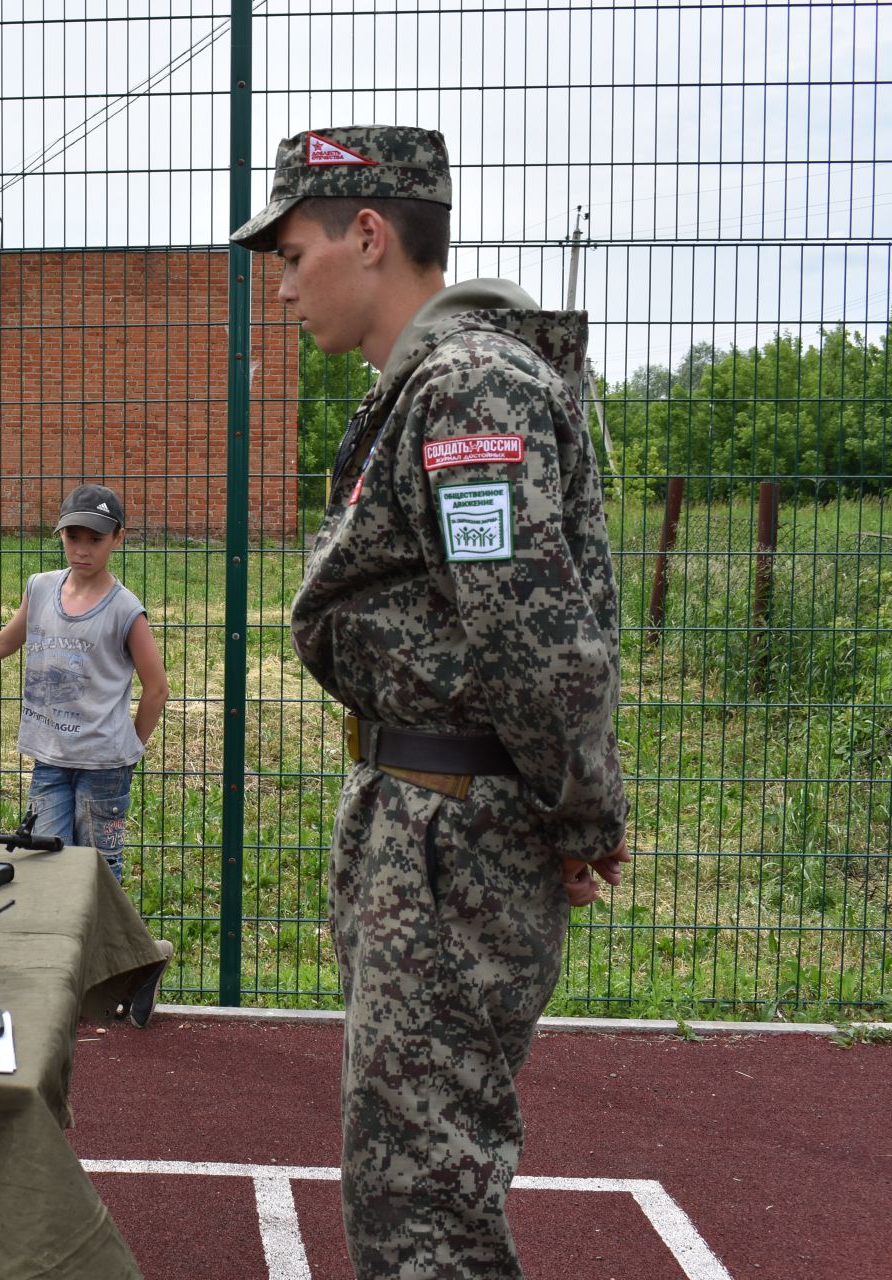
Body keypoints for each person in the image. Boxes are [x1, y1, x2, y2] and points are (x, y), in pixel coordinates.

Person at [232, 126, 632, 1277]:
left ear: (369, 234)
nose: (284, 280)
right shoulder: (427, 387)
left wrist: (582, 811)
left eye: (295, 250)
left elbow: (535, 640)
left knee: (428, 1204)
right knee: (410, 1177)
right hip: (427, 814)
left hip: (453, 834)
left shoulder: (467, 390)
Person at [0, 483, 170, 884]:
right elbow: (7, 640)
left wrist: (130, 748)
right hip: (49, 758)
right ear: (60, 533)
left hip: (103, 767)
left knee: (100, 869)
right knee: (47, 859)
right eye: (73, 537)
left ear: (118, 538)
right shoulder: (41, 587)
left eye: (96, 539)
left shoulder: (125, 610)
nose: (82, 549)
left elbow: (157, 688)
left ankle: (115, 948)